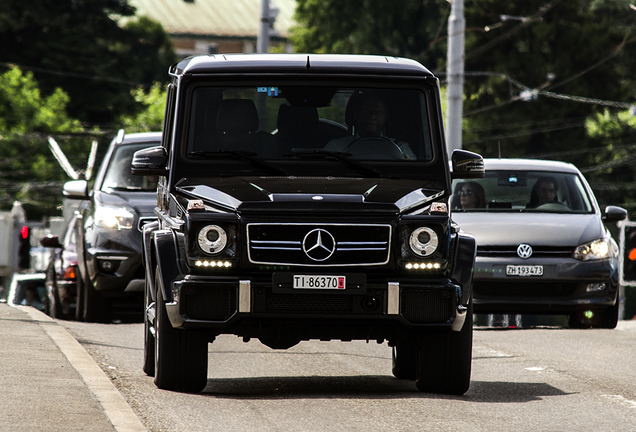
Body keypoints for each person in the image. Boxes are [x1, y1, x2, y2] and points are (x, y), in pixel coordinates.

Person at [324, 95, 416, 160]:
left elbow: (412, 172)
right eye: (366, 112)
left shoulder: (401, 148)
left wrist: (405, 162)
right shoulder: (336, 147)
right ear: (356, 114)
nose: (372, 117)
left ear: (385, 117)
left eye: (378, 113)